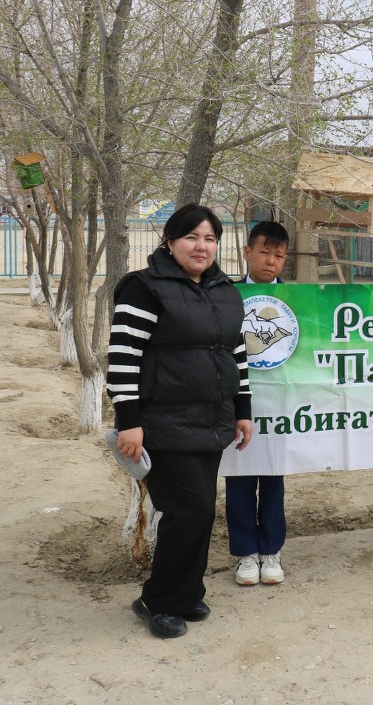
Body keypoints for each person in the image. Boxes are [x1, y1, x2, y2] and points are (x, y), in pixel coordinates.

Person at [107, 204, 253, 639]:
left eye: (210, 239)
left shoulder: (224, 290)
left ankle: (187, 594)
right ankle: (157, 600)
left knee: (200, 512)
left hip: (212, 421)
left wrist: (243, 411)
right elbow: (123, 357)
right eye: (191, 237)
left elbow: (236, 354)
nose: (201, 246)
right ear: (170, 241)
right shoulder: (144, 288)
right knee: (190, 509)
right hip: (163, 423)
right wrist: (129, 420)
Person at [227, 221, 290, 587]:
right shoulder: (226, 295)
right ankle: (245, 554)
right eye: (264, 252)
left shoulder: (296, 299)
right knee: (238, 477)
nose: (270, 261)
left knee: (273, 477)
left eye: (278, 255)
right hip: (237, 404)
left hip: (279, 405)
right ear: (247, 252)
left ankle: (271, 550)